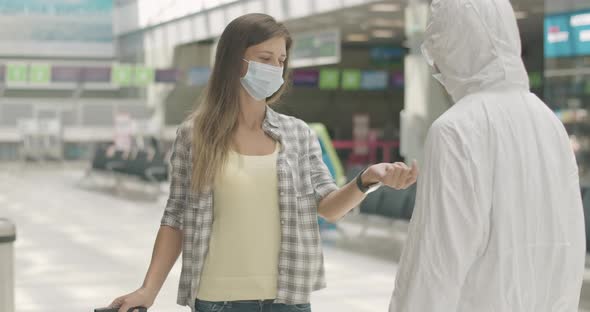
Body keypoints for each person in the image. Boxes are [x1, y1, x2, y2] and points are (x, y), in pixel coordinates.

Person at [106, 13, 418, 312]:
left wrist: (366, 179)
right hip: (218, 300)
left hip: (288, 299)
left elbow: (329, 207)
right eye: (264, 59)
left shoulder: (297, 134)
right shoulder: (195, 136)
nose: (275, 69)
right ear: (233, 62)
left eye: (281, 61)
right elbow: (175, 218)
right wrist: (148, 291)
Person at [389, 1, 585, 311]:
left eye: (438, 46)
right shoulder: (550, 123)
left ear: (455, 43)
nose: (437, 64)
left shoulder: (456, 130)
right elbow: (570, 242)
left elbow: (435, 264)